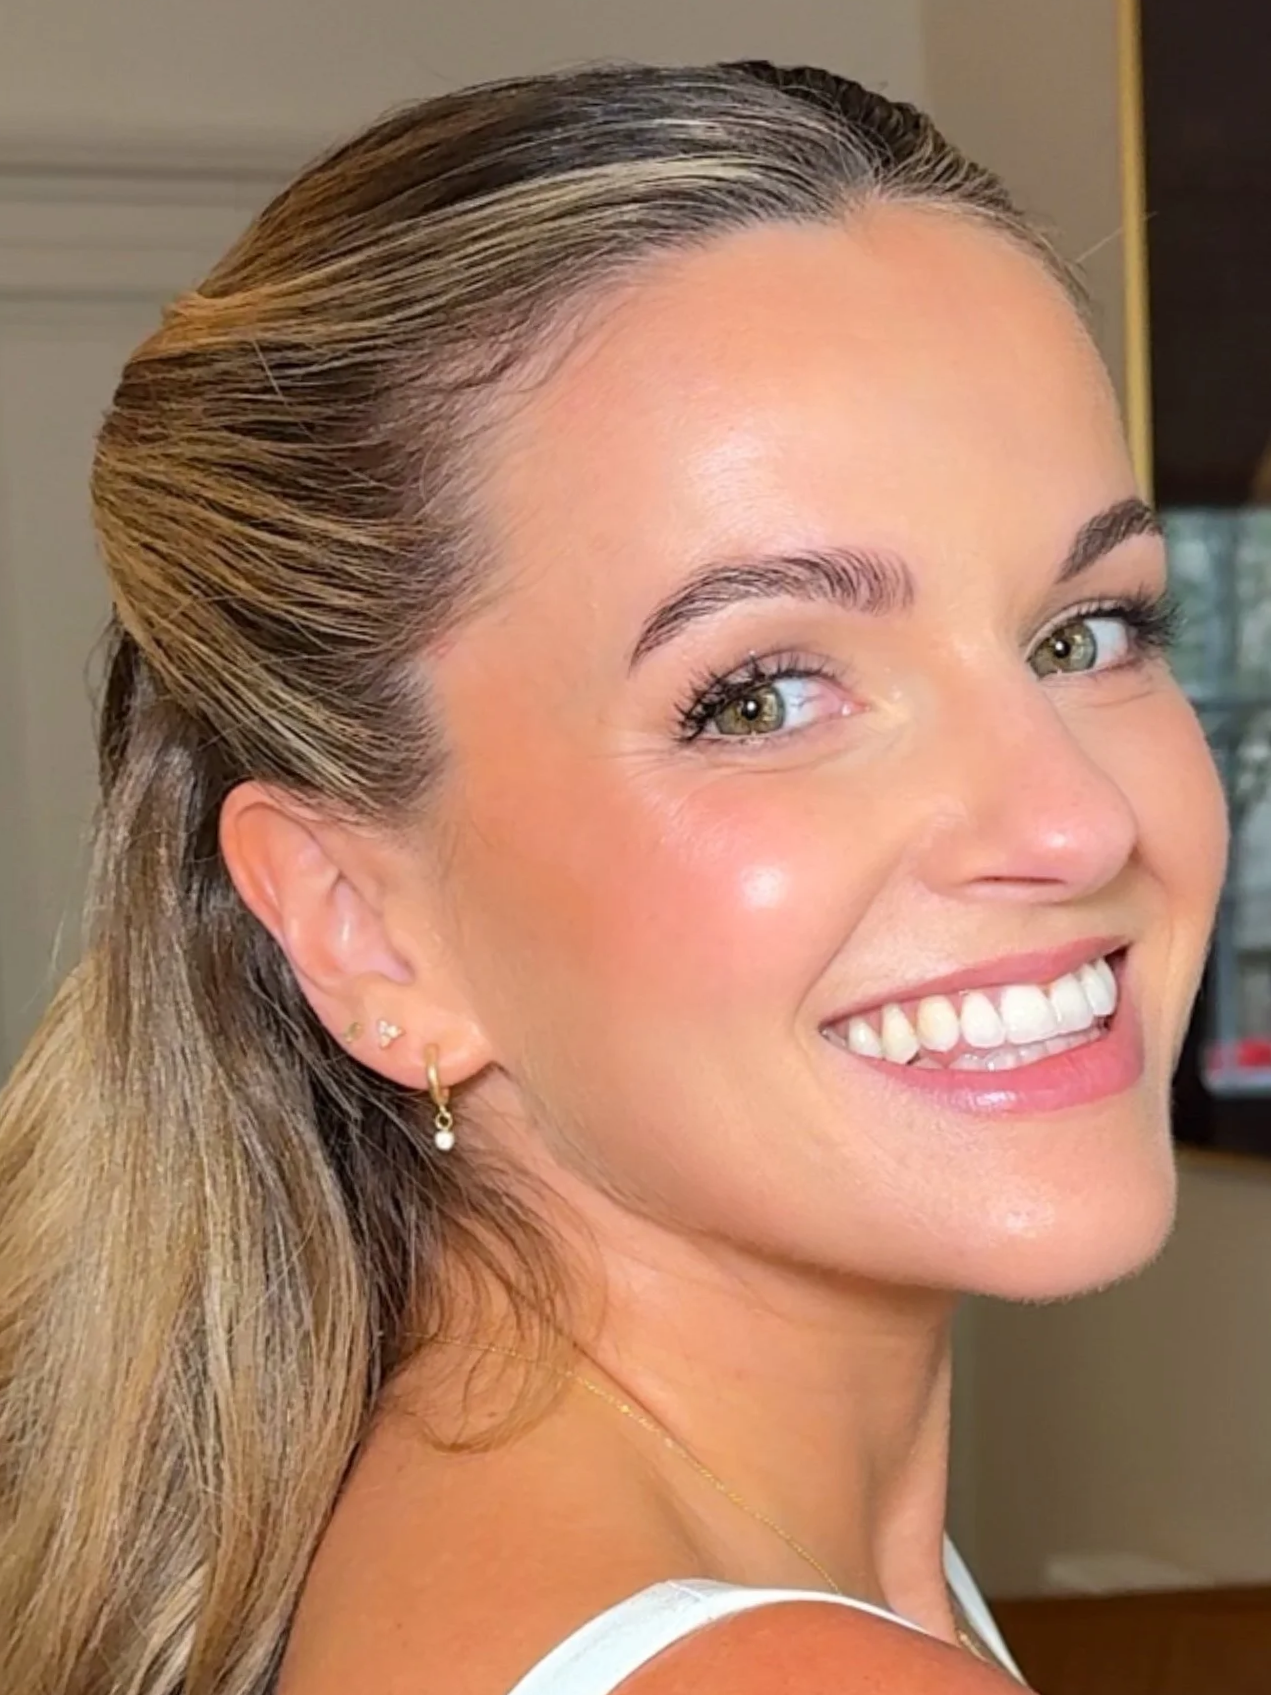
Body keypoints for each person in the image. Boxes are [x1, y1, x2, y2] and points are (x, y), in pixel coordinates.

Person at [0, 60, 1227, 1695]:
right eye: (761, 694)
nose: (1074, 822)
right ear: (365, 929)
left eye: (1085, 632)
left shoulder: (414, 1536)